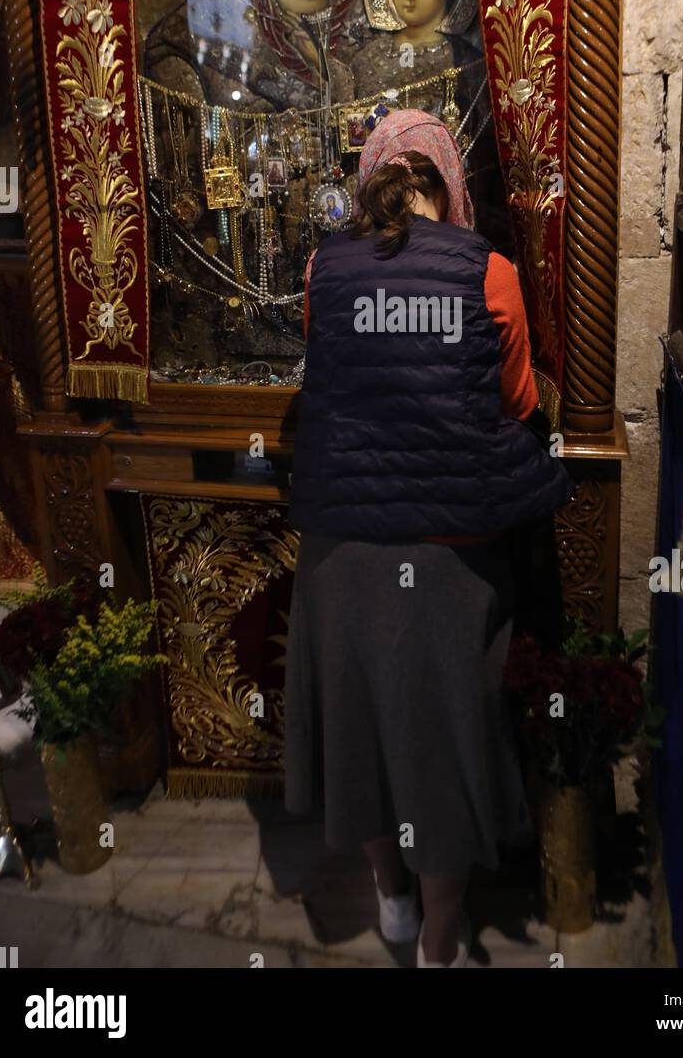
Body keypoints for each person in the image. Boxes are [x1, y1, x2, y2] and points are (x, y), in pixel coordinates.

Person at [284, 110, 573, 967]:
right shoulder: (490, 272)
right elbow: (518, 400)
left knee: (363, 732)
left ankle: (392, 899)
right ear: (451, 179)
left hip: (341, 555)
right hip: (448, 558)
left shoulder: (320, 269)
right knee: (443, 742)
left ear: (374, 175)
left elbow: (323, 369)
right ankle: (441, 940)